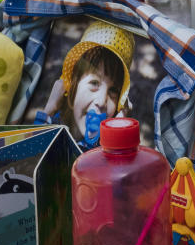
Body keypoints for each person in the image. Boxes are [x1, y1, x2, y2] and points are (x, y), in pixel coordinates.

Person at [36, 21, 134, 149]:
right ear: (72, 88)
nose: (101, 101)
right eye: (94, 83)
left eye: (113, 91)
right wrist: (49, 110)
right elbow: (31, 157)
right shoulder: (52, 126)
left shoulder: (105, 148)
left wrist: (119, 130)